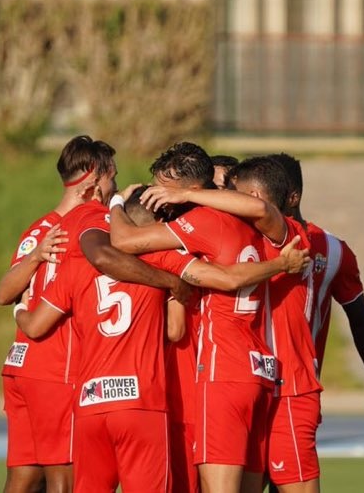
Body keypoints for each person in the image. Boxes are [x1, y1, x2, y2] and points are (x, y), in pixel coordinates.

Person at [15, 183, 309, 493]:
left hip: (91, 401)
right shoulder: (160, 263)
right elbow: (175, 329)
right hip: (142, 403)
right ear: (155, 224)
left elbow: (34, 325)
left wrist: (20, 309)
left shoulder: (80, 267)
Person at [108, 142, 285, 493]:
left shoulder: (200, 222)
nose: (156, 196)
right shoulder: (256, 223)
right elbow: (262, 209)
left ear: (186, 190)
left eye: (162, 190)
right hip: (258, 369)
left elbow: (123, 242)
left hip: (221, 372)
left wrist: (114, 202)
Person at [266, 153, 364, 493]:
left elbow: (360, 318)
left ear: (292, 197)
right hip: (241, 387)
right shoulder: (242, 240)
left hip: (293, 391)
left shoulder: (333, 251)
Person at [0, 135, 114, 493]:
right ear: (95, 178)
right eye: (113, 176)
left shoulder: (40, 228)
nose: (115, 186)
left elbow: (5, 295)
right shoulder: (89, 230)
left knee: (25, 478)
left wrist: (34, 258)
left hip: (22, 368)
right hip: (56, 368)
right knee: (66, 478)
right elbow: (4, 293)